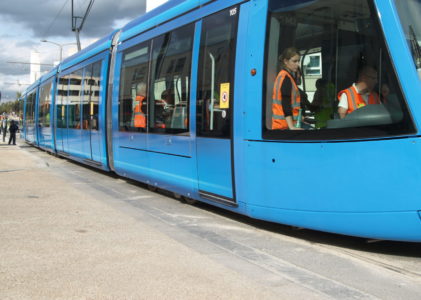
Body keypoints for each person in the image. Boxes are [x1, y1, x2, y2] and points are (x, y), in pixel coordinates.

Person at [272, 47, 304, 130]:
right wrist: (291, 127)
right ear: (286, 61)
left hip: (282, 125)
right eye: (294, 61)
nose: (297, 64)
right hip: (285, 126)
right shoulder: (286, 78)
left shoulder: (284, 76)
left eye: (298, 61)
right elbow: (286, 103)